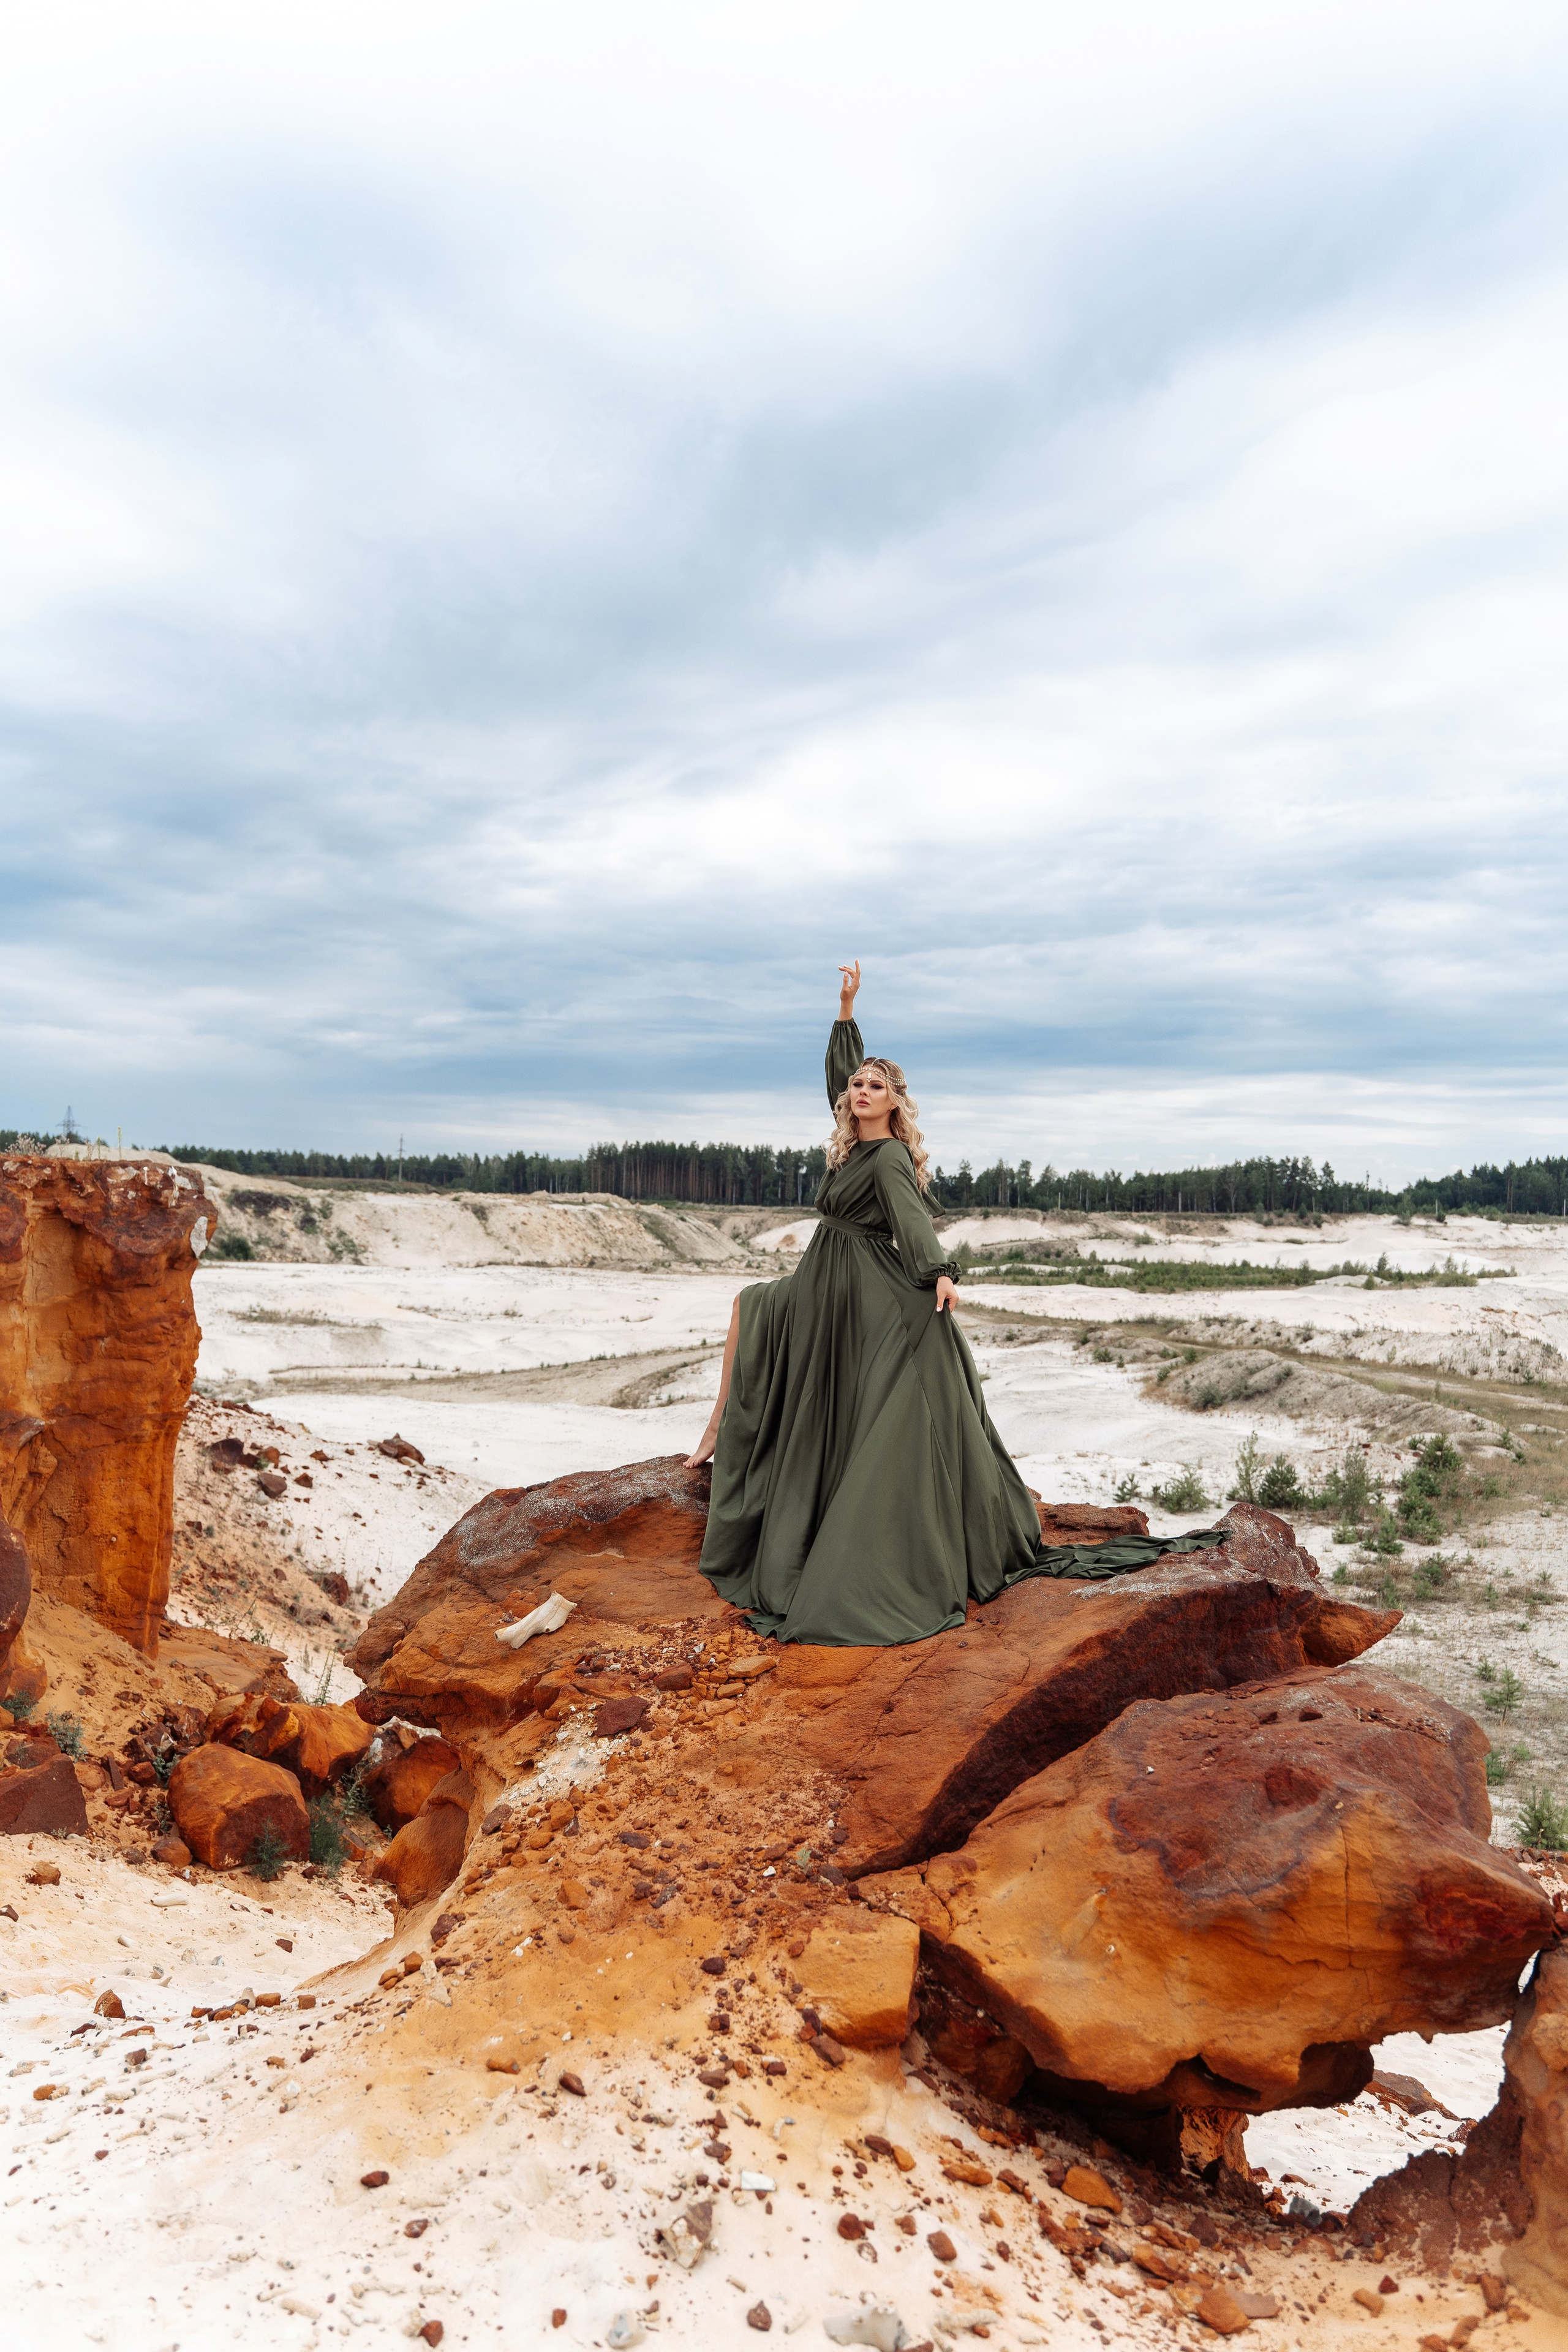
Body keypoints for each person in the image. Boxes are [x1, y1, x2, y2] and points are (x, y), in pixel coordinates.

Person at [689, 962, 1221, 1645]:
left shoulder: (884, 1160)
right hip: (828, 1279)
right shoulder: (852, 1142)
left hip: (862, 1286)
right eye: (856, 1084)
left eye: (874, 1086)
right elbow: (837, 1079)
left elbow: (911, 1221)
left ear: (896, 1102)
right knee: (749, 1307)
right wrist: (846, 1013)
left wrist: (938, 1272)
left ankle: (726, 1441)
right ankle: (714, 1431)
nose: (859, 1092)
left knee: (761, 1317)